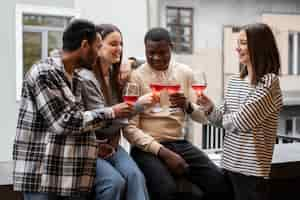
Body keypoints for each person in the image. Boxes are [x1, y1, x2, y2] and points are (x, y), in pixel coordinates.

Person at [124, 27, 232, 200]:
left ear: (171, 48)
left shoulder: (184, 73)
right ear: (145, 49)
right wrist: (164, 153)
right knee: (166, 190)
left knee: (219, 181)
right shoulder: (136, 77)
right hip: (146, 148)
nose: (156, 58)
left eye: (162, 52)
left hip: (179, 143)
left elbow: (202, 118)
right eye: (150, 53)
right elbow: (129, 128)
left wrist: (188, 106)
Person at [13, 19, 114, 200]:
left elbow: (76, 121)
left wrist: (93, 145)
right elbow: (62, 122)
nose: (98, 54)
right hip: (41, 176)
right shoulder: (44, 73)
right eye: (97, 47)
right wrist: (112, 112)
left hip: (65, 173)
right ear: (84, 45)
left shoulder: (75, 77)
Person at [197, 23, 283, 200]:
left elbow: (240, 123)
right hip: (228, 166)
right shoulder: (235, 81)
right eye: (238, 42)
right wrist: (209, 108)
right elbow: (220, 119)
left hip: (252, 173)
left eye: (243, 43)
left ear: (258, 46)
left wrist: (221, 117)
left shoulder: (269, 83)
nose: (237, 48)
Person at [77, 24, 150, 200]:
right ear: (98, 46)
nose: (119, 48)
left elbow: (145, 60)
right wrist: (139, 105)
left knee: (136, 176)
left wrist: (130, 62)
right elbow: (104, 123)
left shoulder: (113, 72)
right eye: (113, 44)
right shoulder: (87, 78)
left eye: (121, 44)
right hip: (92, 147)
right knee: (115, 182)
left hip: (113, 145)